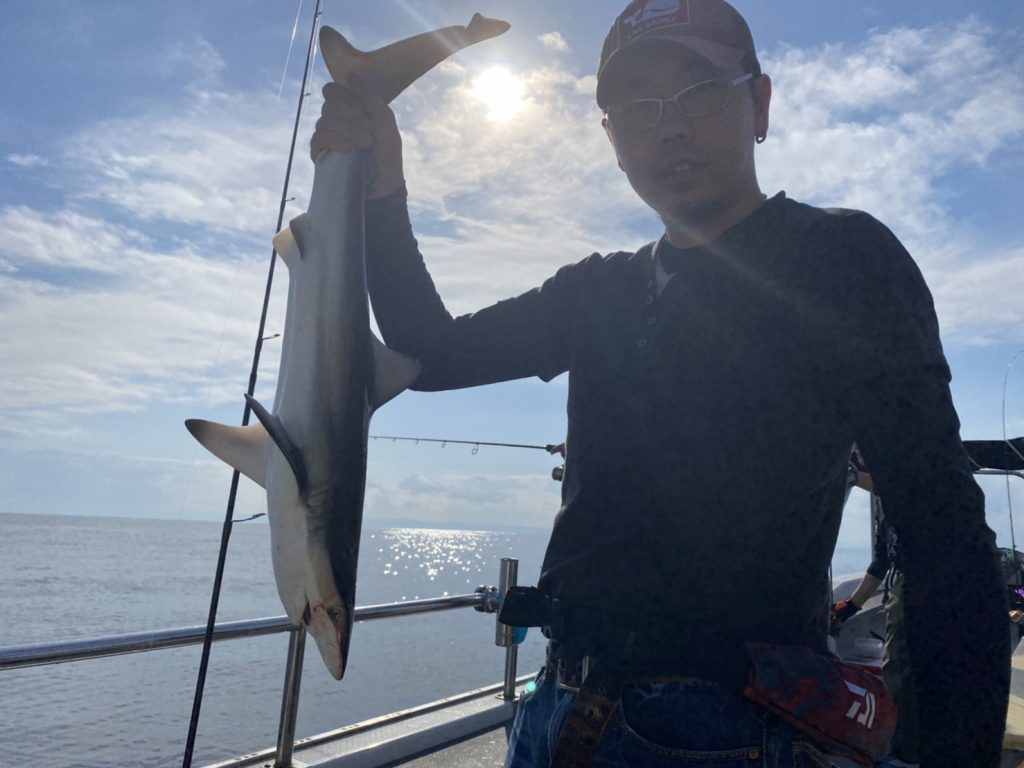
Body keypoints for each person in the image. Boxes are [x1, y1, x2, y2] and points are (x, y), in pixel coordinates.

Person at [311, 0, 1010, 765]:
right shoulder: (596, 290)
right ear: (612, 141)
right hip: (556, 709)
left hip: (726, 730)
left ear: (760, 104)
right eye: (636, 106)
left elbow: (940, 523)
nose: (669, 125)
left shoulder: (842, 259)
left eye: (699, 90)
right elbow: (430, 354)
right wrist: (381, 190)